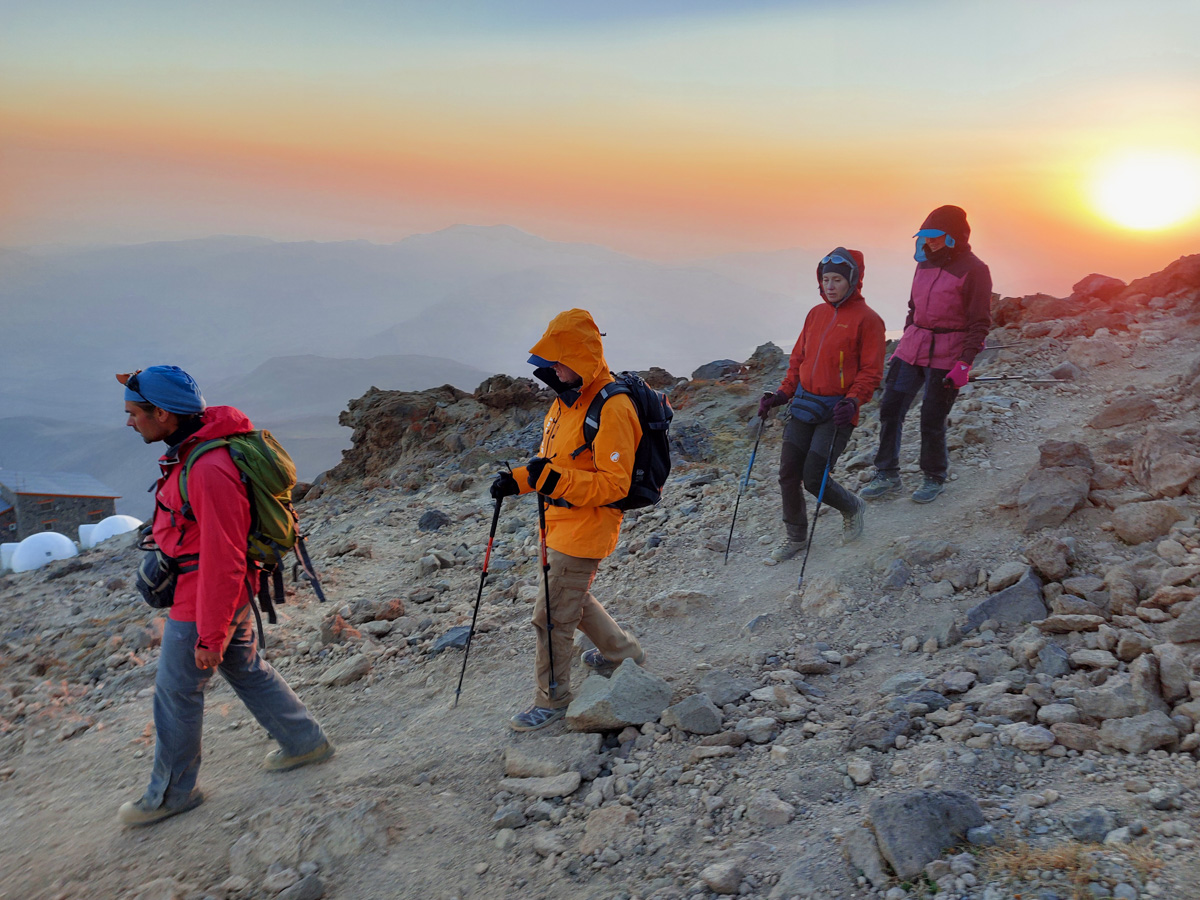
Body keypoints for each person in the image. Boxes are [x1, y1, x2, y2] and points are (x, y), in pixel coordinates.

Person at [117, 365, 333, 827]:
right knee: (245, 666)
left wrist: (210, 633)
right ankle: (304, 742)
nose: (130, 422)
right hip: (223, 593)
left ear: (163, 413)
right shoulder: (196, 445)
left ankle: (172, 795)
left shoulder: (210, 467)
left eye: (134, 413)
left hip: (205, 597)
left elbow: (224, 555)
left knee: (177, 692)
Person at [490, 310, 646, 732]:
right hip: (558, 523)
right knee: (570, 600)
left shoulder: (612, 407)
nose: (553, 369)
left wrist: (553, 481)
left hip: (587, 527)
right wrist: (517, 481)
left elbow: (615, 484)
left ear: (582, 358)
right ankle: (622, 653)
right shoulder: (565, 404)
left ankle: (552, 699)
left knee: (552, 615)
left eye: (561, 360)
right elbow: (551, 466)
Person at [759, 248, 886, 562]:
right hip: (804, 404)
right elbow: (798, 360)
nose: (830, 286)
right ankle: (796, 537)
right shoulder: (815, 314)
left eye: (837, 280)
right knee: (789, 472)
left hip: (837, 411)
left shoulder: (869, 321)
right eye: (825, 279)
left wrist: (854, 400)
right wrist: (782, 394)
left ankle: (852, 507)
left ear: (852, 281)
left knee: (814, 477)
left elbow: (871, 371)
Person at [859, 205, 993, 504]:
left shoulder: (975, 270)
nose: (928, 242)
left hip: (948, 352)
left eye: (935, 236)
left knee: (932, 418)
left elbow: (979, 322)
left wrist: (964, 363)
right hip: (913, 347)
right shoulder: (924, 263)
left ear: (954, 236)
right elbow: (913, 307)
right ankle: (887, 474)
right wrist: (907, 338)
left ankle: (933, 477)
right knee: (891, 409)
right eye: (925, 236)